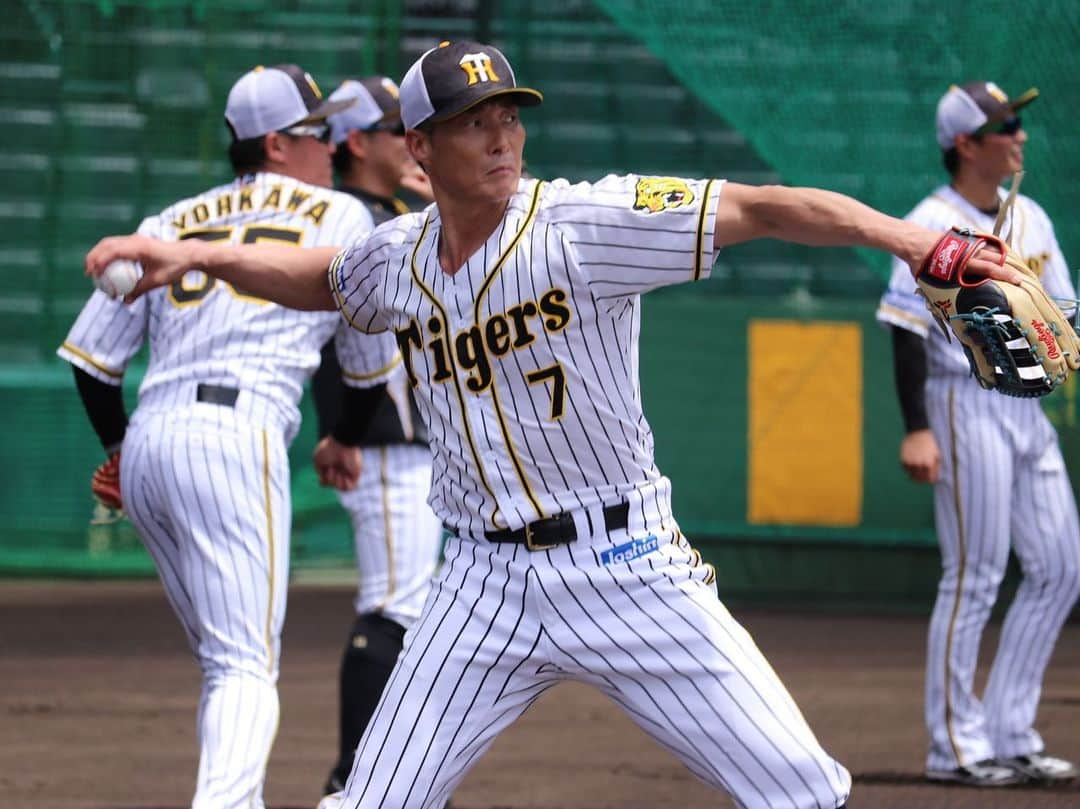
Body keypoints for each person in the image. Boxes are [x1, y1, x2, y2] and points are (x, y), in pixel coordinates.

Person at [86, 41, 1018, 809]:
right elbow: (315, 278)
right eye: (472, 123)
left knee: (802, 793)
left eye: (509, 115)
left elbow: (763, 209)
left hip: (626, 565)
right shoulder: (398, 255)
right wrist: (186, 255)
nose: (501, 136)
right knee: (373, 801)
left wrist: (917, 240)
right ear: (418, 150)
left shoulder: (588, 220)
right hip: (481, 583)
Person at [58, 63, 403, 809]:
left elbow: (92, 364)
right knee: (247, 664)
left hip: (153, 439)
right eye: (318, 131)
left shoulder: (165, 223)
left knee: (225, 662)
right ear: (275, 144)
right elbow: (371, 367)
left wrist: (119, 451)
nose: (332, 144)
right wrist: (342, 435)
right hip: (234, 435)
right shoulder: (340, 214)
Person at [876, 81, 1080, 787]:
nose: (1020, 134)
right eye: (1005, 125)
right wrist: (918, 430)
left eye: (1019, 122)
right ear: (965, 144)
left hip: (1028, 409)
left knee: (1060, 568)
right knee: (976, 575)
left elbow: (1064, 317)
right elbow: (903, 331)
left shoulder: (1035, 218)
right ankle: (956, 746)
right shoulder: (930, 222)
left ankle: (1010, 731)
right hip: (963, 402)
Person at [312, 75, 443, 796]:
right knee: (396, 604)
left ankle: (400, 780)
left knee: (412, 608)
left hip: (403, 441)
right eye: (395, 129)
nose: (410, 139)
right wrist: (346, 430)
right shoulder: (351, 219)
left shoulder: (383, 212)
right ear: (355, 142)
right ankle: (357, 779)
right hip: (383, 441)